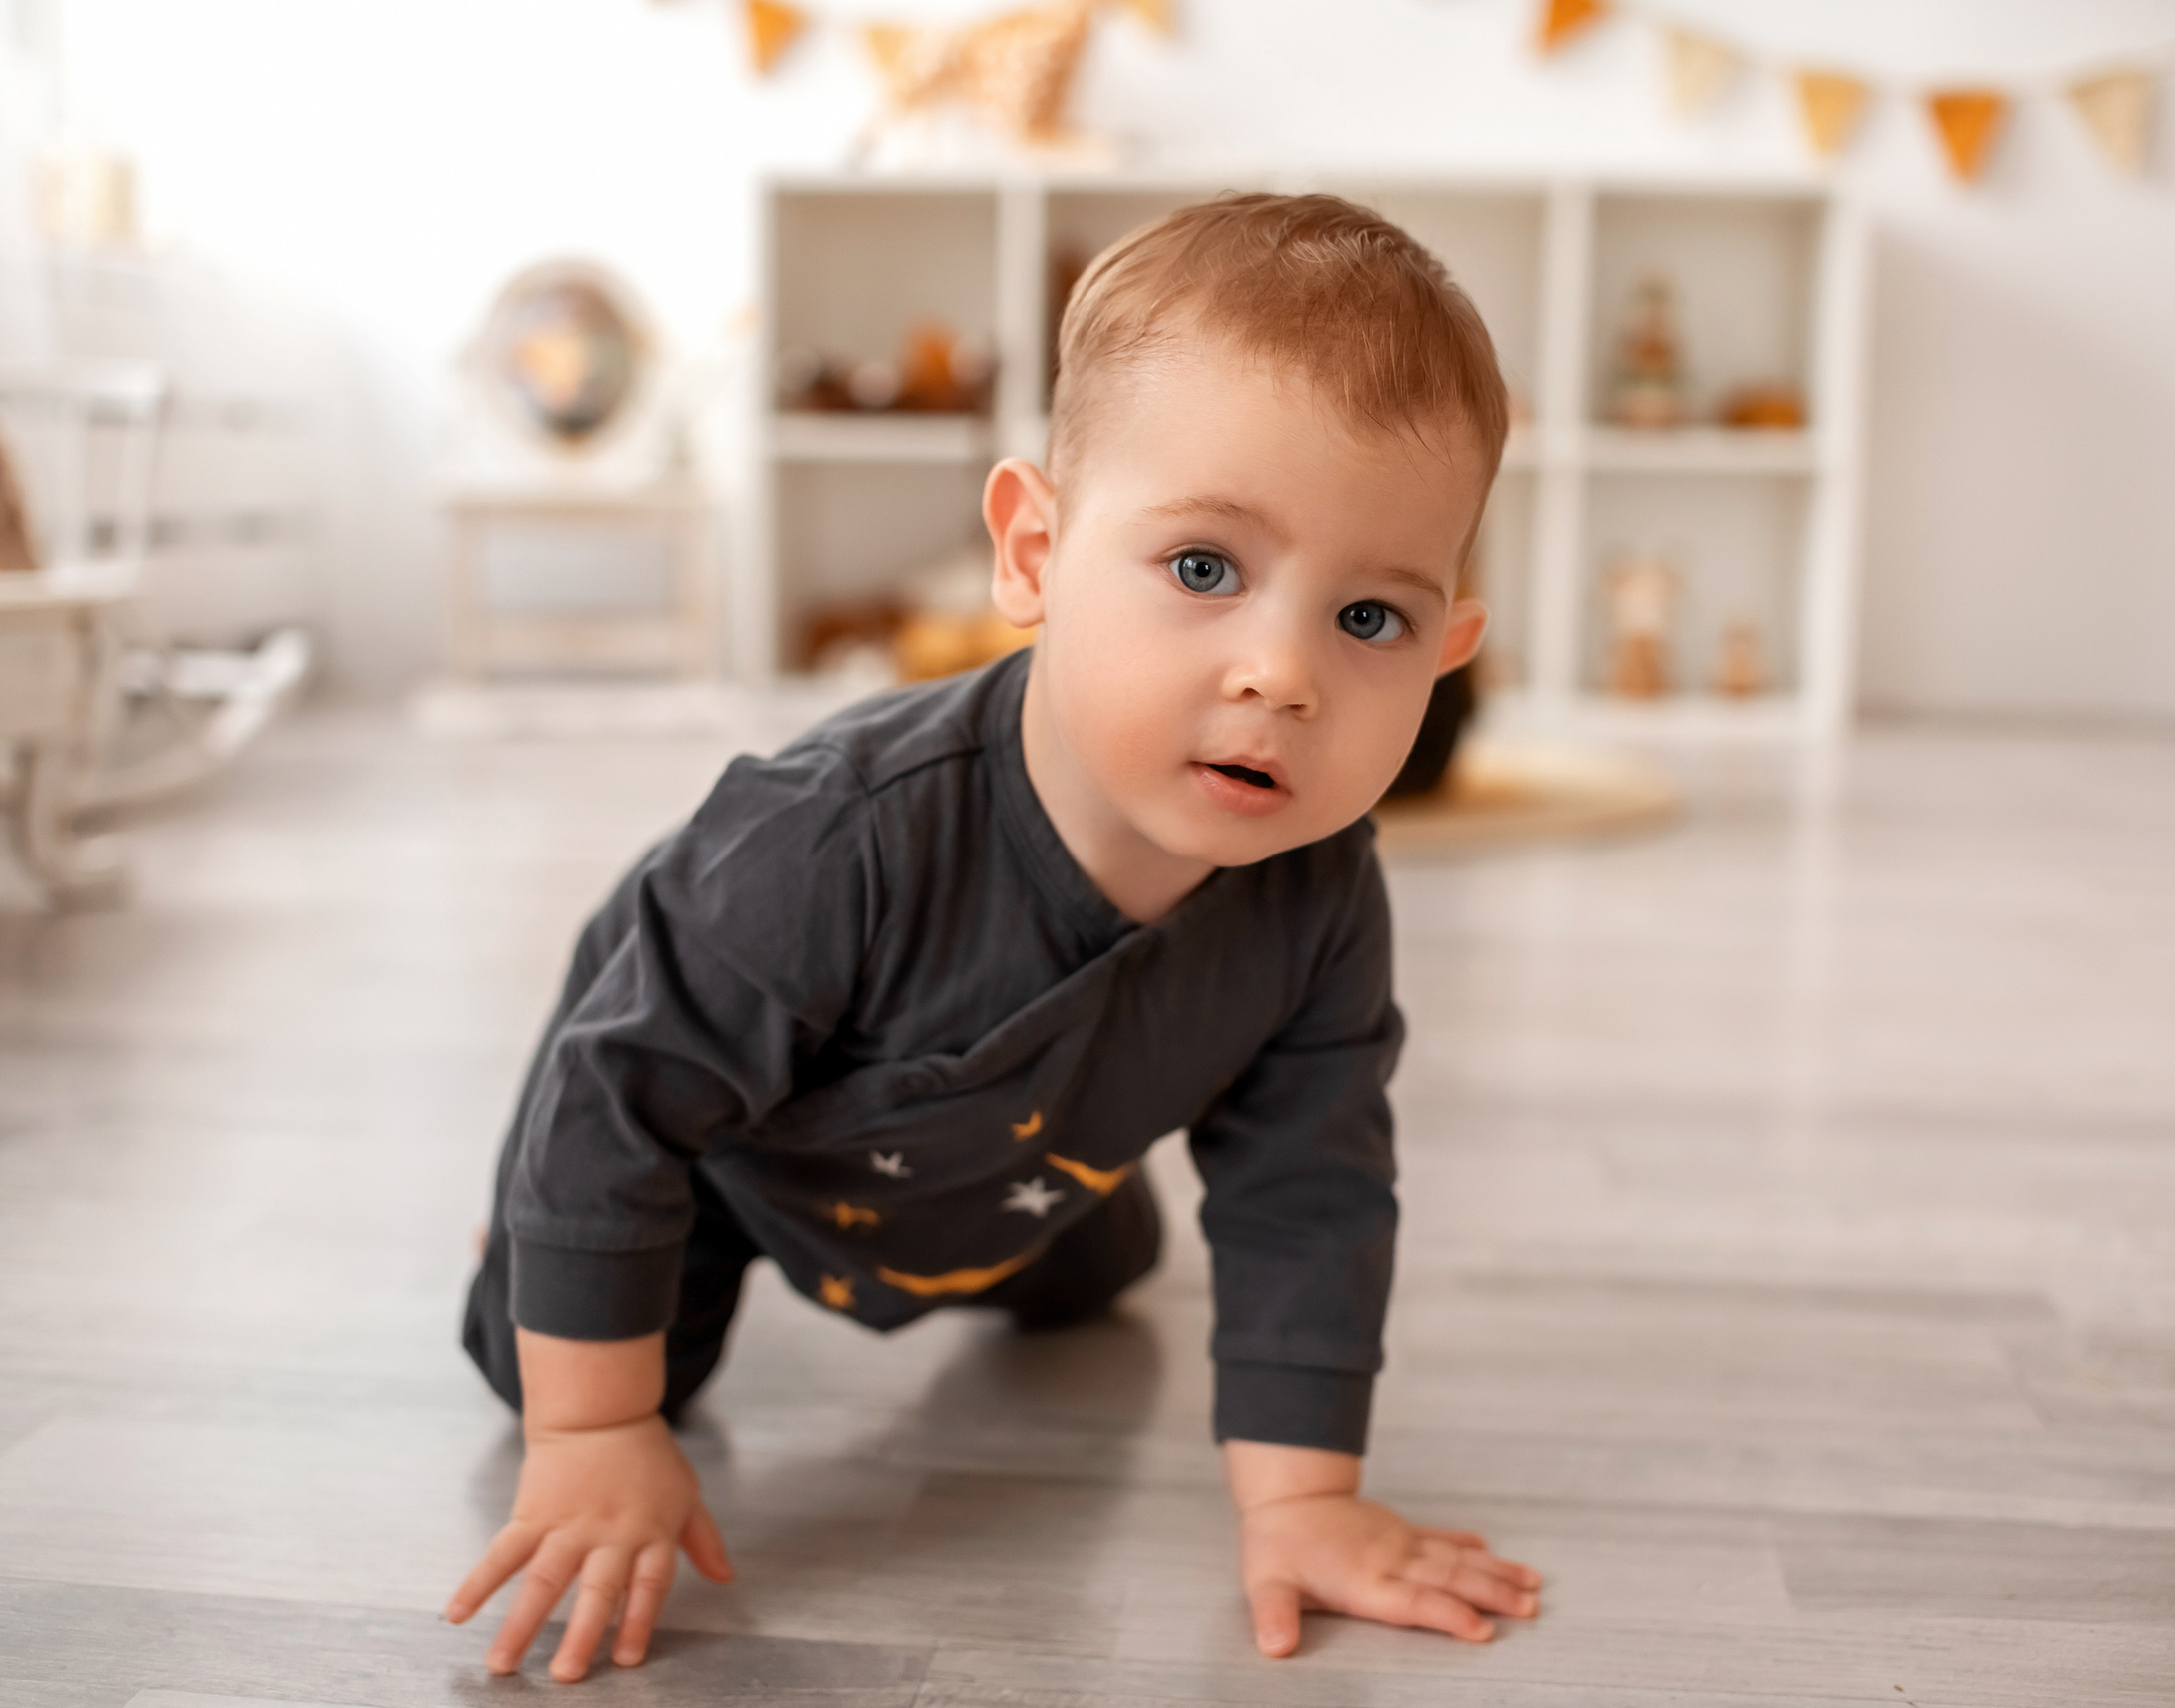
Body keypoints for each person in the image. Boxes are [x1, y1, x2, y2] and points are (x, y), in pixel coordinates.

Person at [446, 192, 1545, 1682]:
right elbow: (621, 1086)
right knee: (550, 1345)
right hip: (715, 1138)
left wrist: (1308, 1496)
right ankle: (543, 1219)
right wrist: (596, 1429)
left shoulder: (1321, 895)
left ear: (1448, 656)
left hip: (1024, 1156)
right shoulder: (828, 841)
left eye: (1370, 618)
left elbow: (1311, 1186)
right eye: (1207, 569)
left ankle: (1032, 1202)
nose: (1282, 672)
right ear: (1031, 552)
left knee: (1091, 1277)